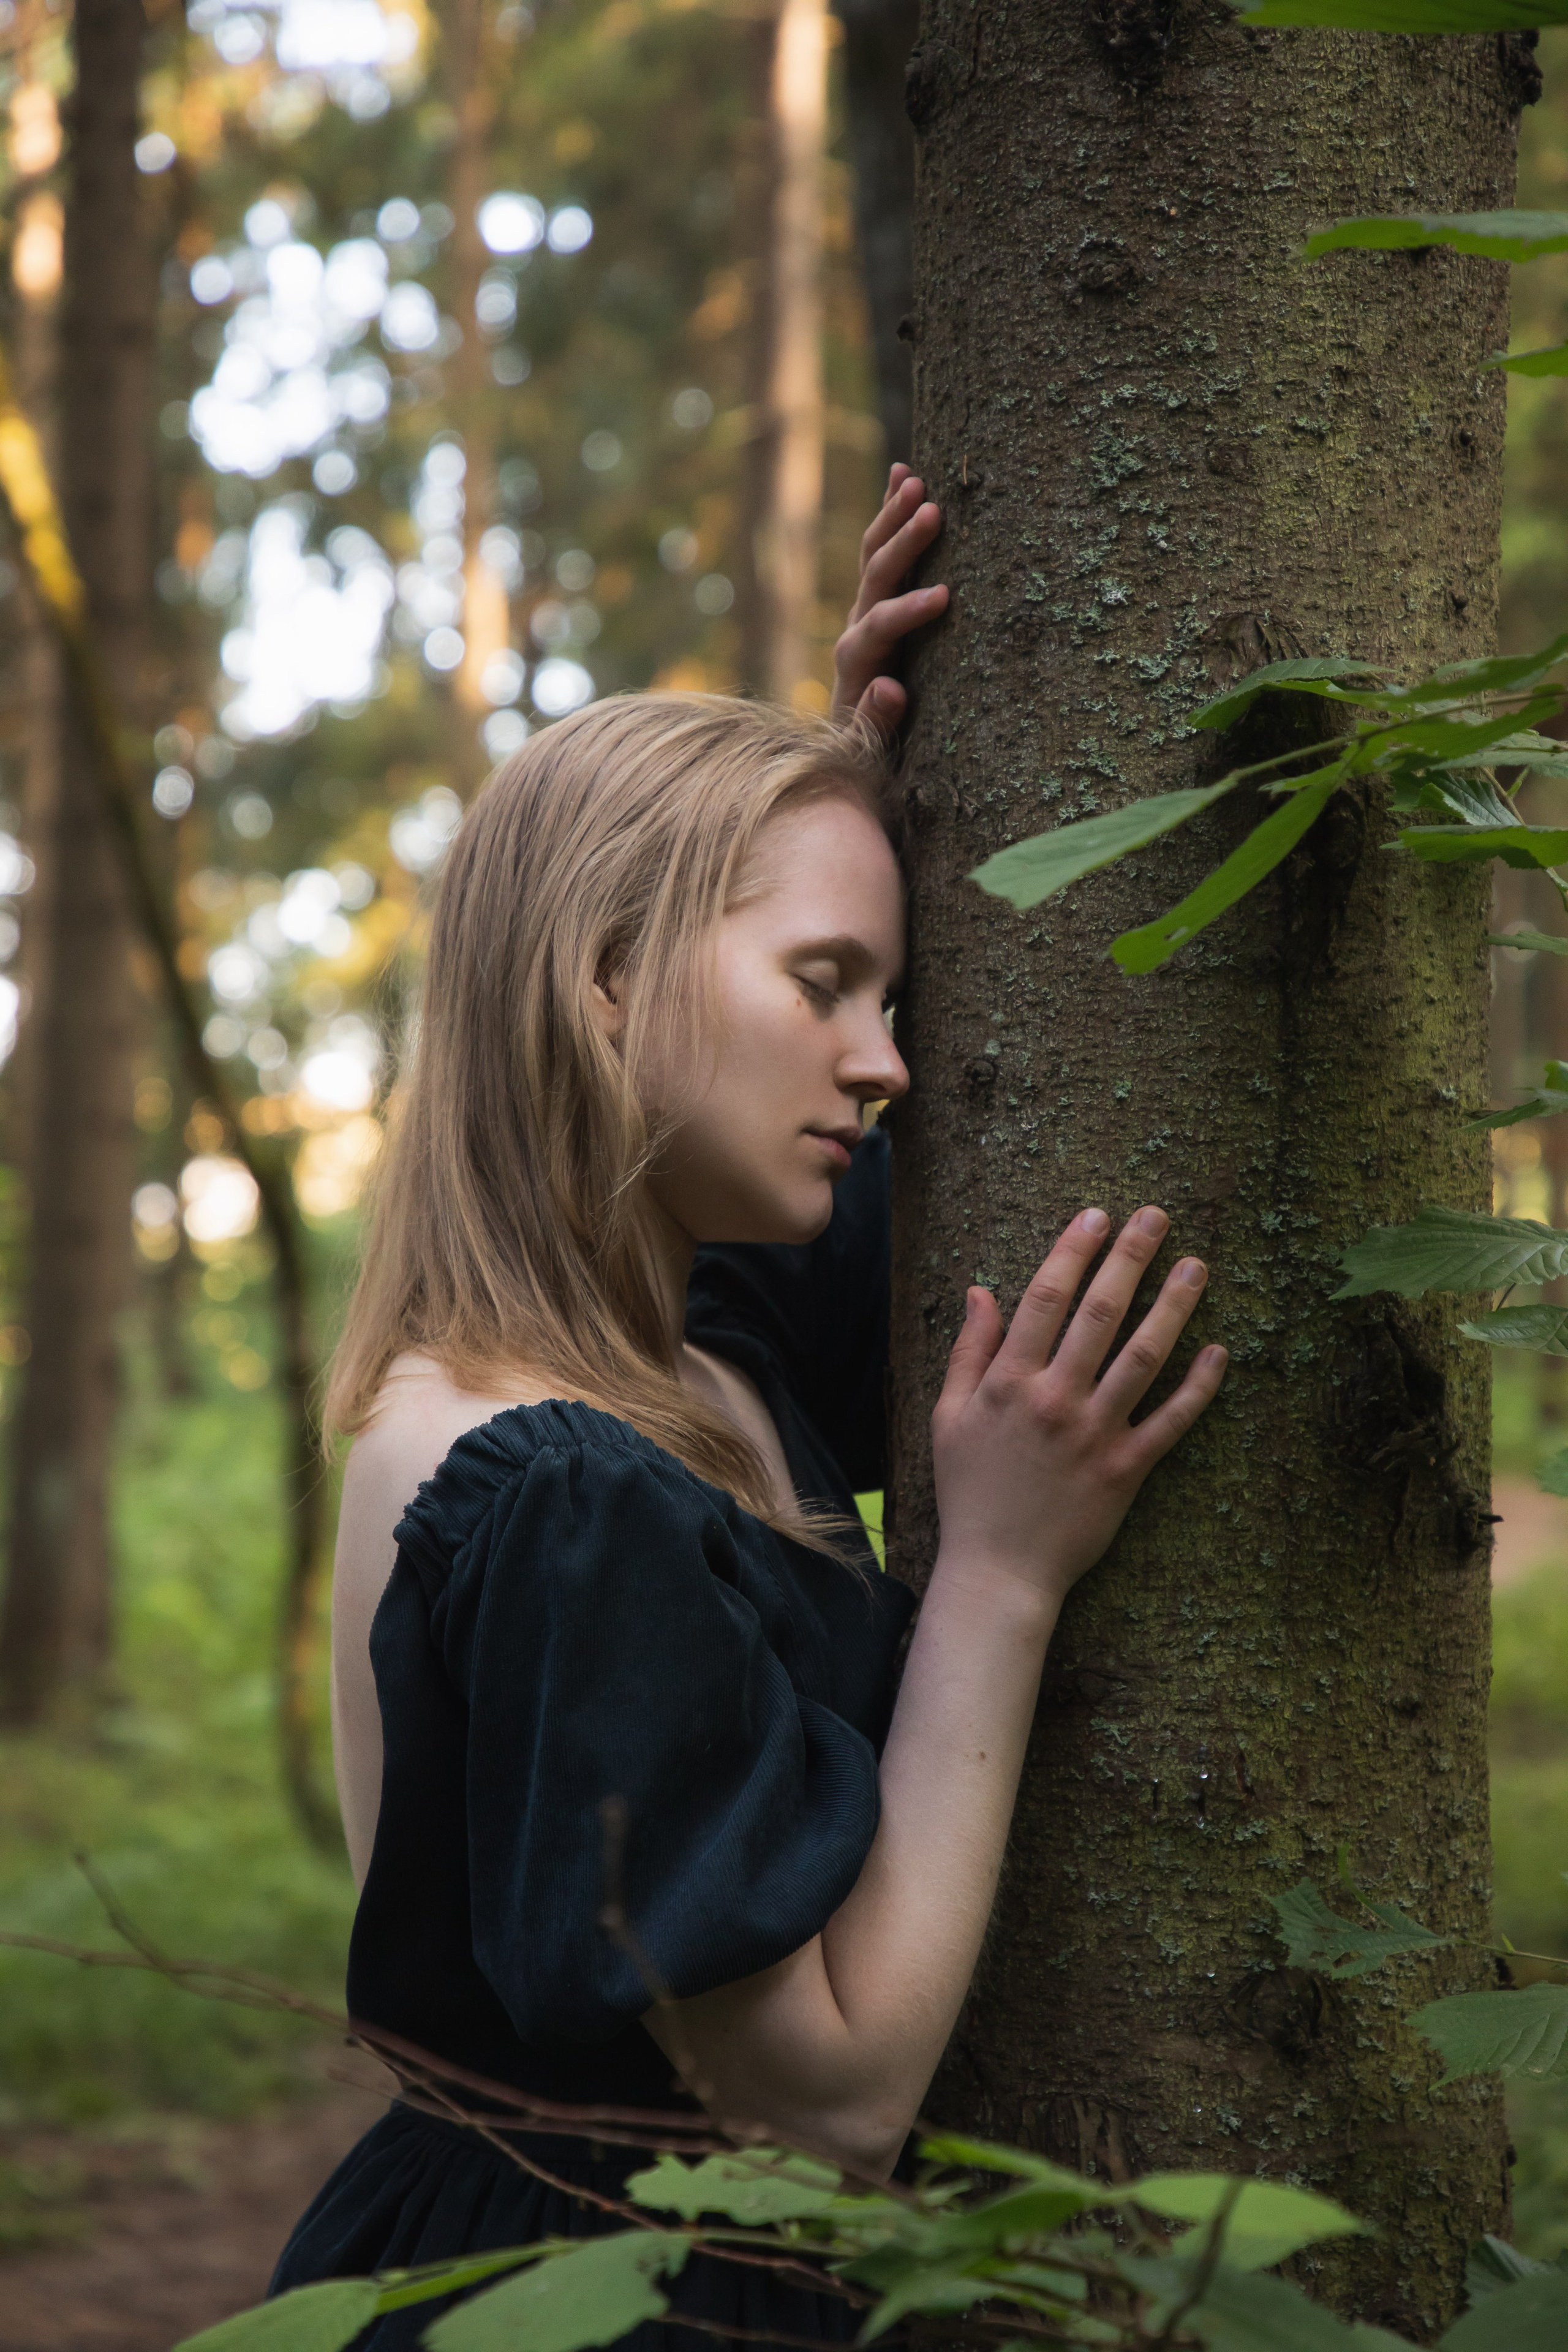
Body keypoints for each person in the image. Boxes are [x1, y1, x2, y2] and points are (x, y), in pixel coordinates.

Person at [270, 469, 1227, 2346]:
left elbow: (906, 1239)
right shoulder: (550, 1481)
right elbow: (825, 2112)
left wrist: (879, 774)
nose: (885, 1065)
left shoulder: (697, 1341)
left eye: (889, 994)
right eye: (823, 984)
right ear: (609, 982)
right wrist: (1002, 1578)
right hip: (600, 2297)